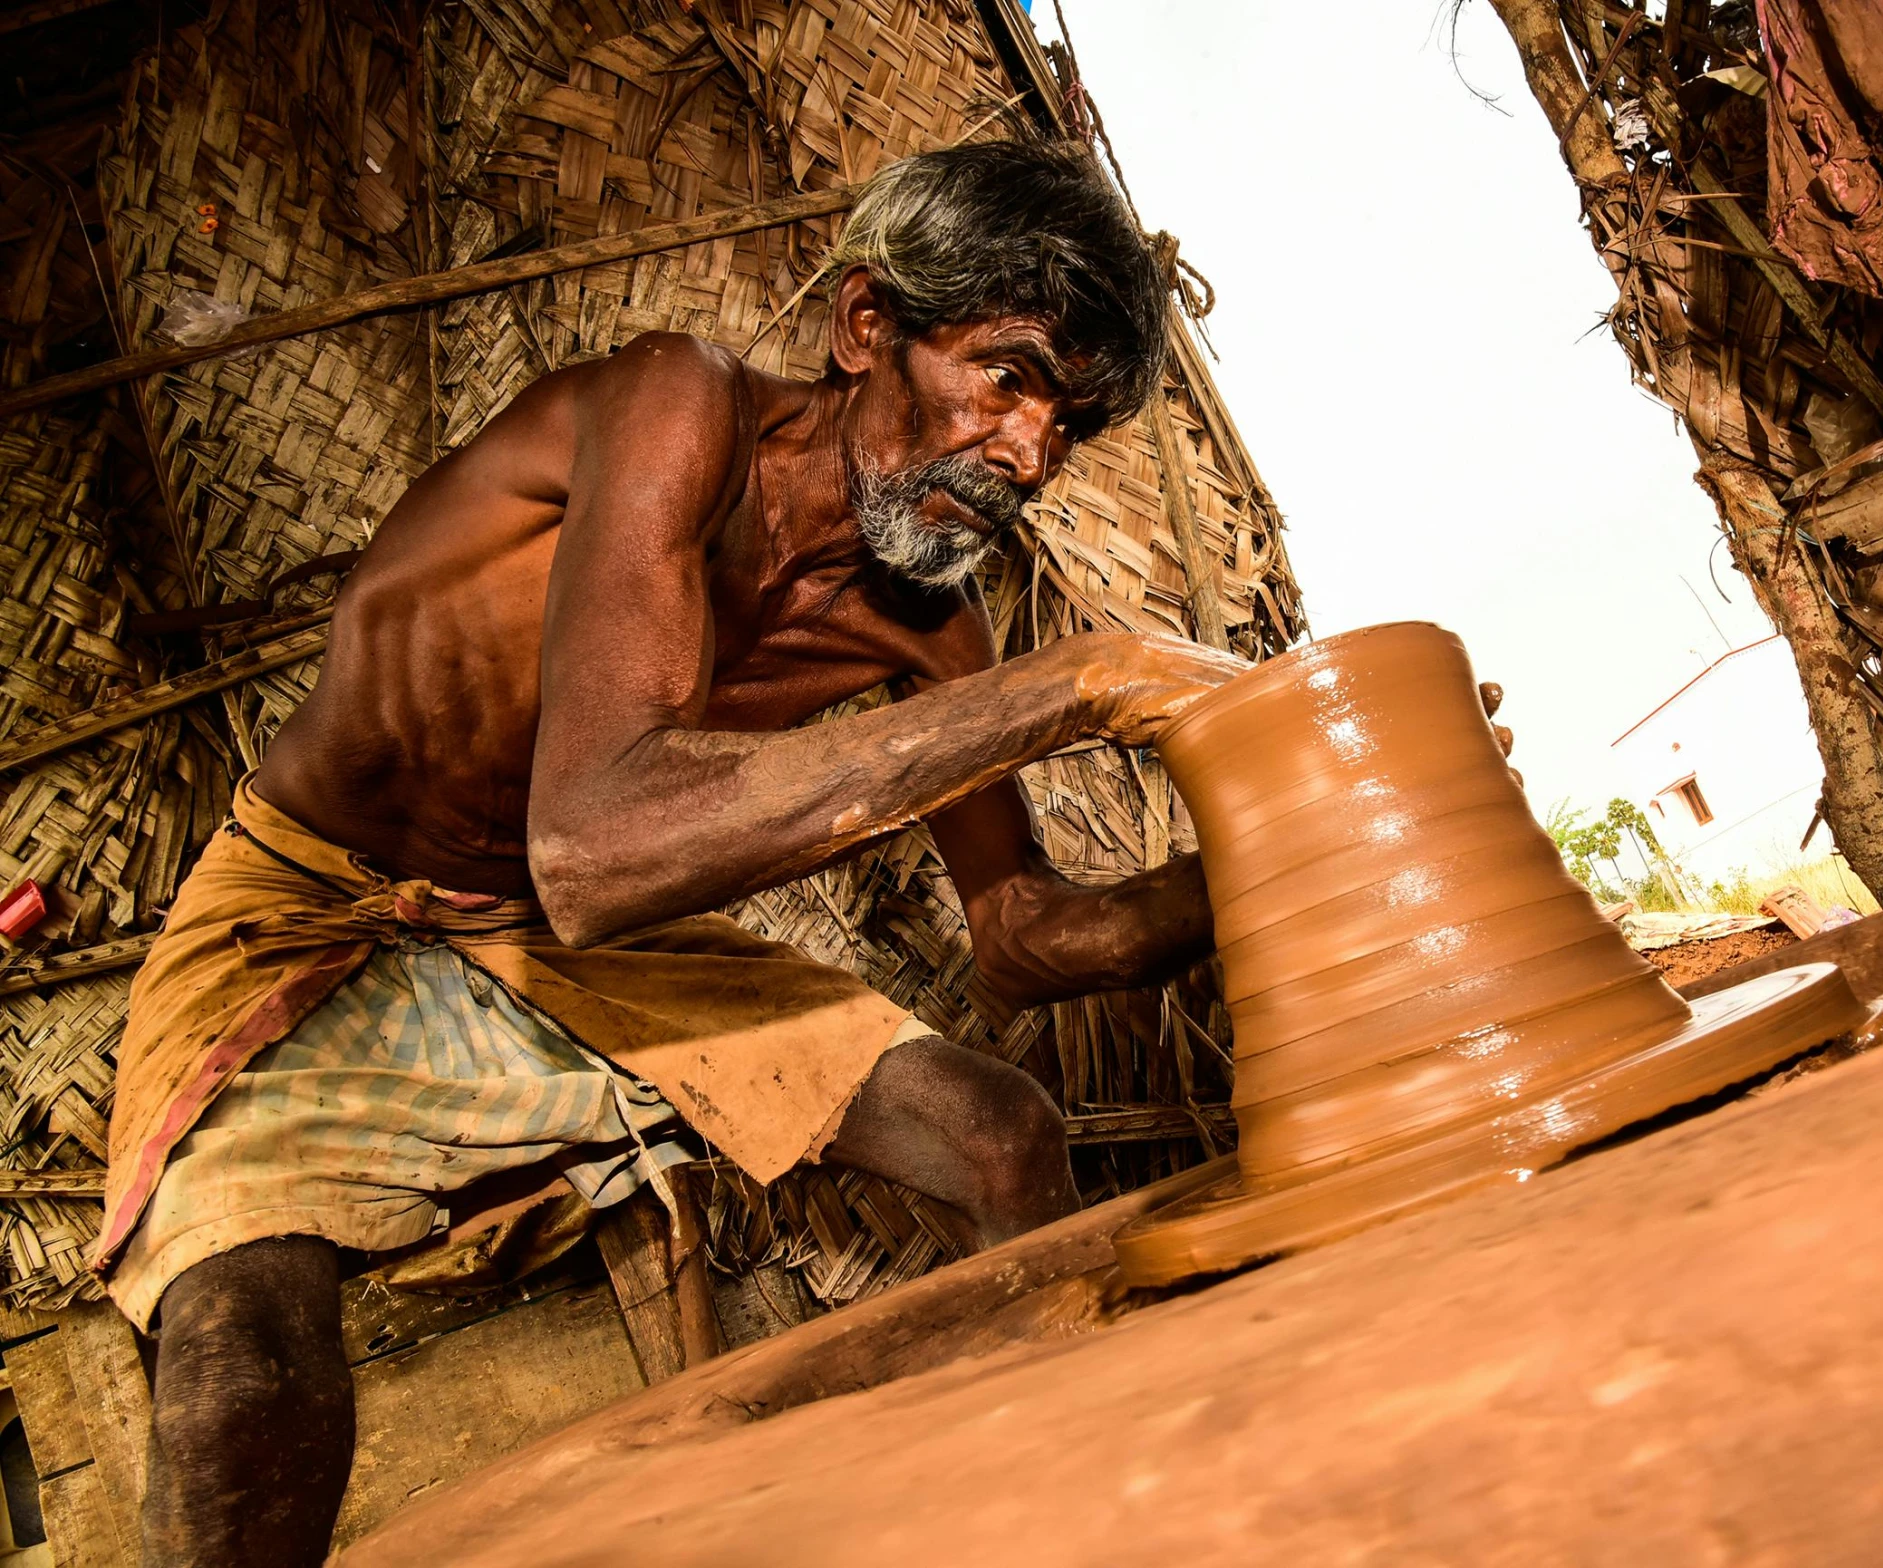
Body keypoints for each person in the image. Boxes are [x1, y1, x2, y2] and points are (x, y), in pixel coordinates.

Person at [97, 139, 1253, 1568]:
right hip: (317, 899)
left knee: (998, 1130)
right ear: (866, 328)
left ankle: (1061, 1514)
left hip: (567, 938)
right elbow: (594, 837)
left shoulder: (932, 627)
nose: (1028, 454)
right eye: (1006, 377)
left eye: (1067, 423)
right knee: (245, 1363)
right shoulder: (673, 405)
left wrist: (1271, 837)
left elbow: (1023, 937)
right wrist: (1078, 686)